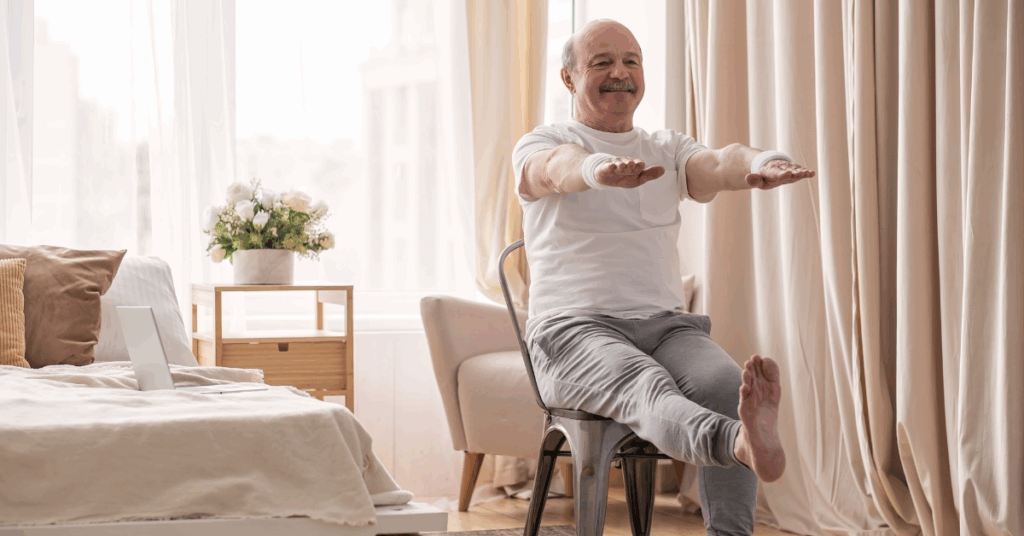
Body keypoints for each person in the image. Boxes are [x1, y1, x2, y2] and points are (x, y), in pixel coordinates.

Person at [512, 19, 815, 535]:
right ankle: (737, 443)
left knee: (725, 384)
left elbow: (718, 161)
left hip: (666, 326)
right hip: (572, 332)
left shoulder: (664, 147)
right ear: (568, 78)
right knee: (645, 385)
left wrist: (763, 162)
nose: (620, 73)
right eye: (601, 63)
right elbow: (554, 169)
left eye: (631, 61)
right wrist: (596, 171)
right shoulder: (546, 140)